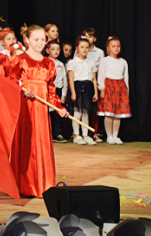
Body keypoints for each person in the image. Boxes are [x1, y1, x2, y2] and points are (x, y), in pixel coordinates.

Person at [9, 25, 69, 198]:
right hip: (26, 108)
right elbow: (11, 81)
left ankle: (43, 184)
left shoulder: (49, 64)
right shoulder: (20, 60)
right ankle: (25, 184)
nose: (39, 43)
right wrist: (22, 90)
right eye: (36, 39)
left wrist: (59, 108)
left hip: (42, 110)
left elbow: (51, 90)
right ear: (27, 40)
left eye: (43, 40)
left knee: (41, 142)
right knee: (28, 144)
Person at [98, 37, 131, 145]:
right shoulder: (105, 60)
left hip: (120, 88)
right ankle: (109, 136)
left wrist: (126, 91)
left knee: (118, 114)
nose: (116, 48)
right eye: (113, 46)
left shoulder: (123, 62)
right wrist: (101, 88)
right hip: (109, 87)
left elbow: (126, 77)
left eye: (118, 46)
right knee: (109, 113)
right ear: (108, 48)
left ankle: (116, 136)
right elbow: (101, 75)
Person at [67, 37, 99, 145]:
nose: (84, 50)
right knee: (77, 112)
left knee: (86, 112)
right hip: (77, 86)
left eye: (86, 47)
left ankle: (85, 135)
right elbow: (71, 78)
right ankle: (76, 135)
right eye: (82, 47)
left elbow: (94, 79)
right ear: (77, 48)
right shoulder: (73, 62)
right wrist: (73, 92)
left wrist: (95, 92)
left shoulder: (91, 62)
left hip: (88, 87)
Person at [83, 28, 105, 142]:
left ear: (94, 39)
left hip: (94, 82)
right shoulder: (79, 50)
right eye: (85, 36)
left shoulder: (99, 52)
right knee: (83, 109)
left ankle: (95, 133)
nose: (87, 39)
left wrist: (100, 87)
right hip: (82, 82)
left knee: (94, 110)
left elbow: (102, 70)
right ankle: (82, 133)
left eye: (90, 36)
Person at [46, 40, 68, 143]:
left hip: (58, 90)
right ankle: (47, 134)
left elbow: (64, 80)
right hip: (47, 90)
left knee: (57, 113)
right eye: (52, 49)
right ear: (47, 50)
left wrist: (63, 94)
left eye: (58, 49)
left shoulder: (61, 64)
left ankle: (58, 134)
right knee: (47, 113)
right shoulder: (45, 62)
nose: (56, 52)